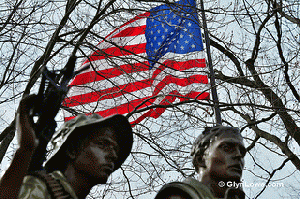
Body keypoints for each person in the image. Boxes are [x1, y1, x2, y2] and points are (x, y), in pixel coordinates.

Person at [0, 95, 133, 199]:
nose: (113, 155)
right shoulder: (38, 187)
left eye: (116, 149)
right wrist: (25, 151)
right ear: (72, 149)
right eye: (103, 144)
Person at [155, 125, 246, 199]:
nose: (238, 155)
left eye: (242, 152)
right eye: (226, 148)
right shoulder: (178, 195)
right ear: (201, 159)